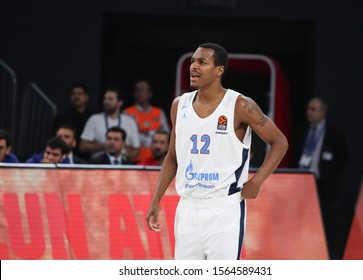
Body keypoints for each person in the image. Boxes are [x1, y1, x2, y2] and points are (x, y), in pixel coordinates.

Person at [146, 43, 288, 260]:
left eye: (202, 62)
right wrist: (156, 198)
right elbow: (173, 156)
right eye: (193, 61)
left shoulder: (240, 105)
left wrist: (257, 181)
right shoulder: (179, 104)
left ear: (219, 70)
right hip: (188, 208)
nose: (194, 66)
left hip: (224, 208)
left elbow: (279, 141)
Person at [292, 96, 347, 258]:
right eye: (308, 109)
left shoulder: (335, 134)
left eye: (313, 109)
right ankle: (300, 252)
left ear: (323, 111)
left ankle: (325, 256)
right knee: (300, 220)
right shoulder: (301, 130)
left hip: (323, 185)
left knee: (325, 222)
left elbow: (343, 160)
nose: (309, 113)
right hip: (302, 183)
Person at [80, 87, 140, 160]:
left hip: (121, 164)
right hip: (99, 164)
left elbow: (136, 149)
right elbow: (82, 146)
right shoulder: (94, 119)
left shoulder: (130, 122)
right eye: (105, 99)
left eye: (110, 99)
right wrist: (104, 146)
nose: (106, 102)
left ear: (120, 103)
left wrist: (121, 153)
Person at [124, 80, 170, 163]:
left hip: (157, 160)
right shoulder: (127, 112)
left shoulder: (158, 112)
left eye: (142, 90)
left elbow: (167, 134)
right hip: (135, 160)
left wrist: (148, 133)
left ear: (150, 94)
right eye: (137, 90)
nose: (139, 93)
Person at [51, 84, 93, 159]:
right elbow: (54, 137)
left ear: (86, 97)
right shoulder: (62, 117)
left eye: (80, 94)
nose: (76, 96)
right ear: (70, 97)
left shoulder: (92, 117)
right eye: (74, 94)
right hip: (64, 155)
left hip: (87, 157)